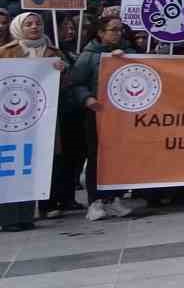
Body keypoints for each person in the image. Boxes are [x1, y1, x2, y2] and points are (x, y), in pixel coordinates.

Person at [68, 17, 141, 222]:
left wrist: (125, 59)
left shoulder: (130, 53)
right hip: (98, 113)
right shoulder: (89, 56)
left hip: (123, 113)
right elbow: (76, 83)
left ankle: (114, 197)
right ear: (101, 32)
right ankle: (95, 201)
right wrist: (87, 98)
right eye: (113, 30)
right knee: (97, 156)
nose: (118, 34)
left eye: (120, 30)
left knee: (120, 155)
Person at [1, 14, 67, 225]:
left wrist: (63, 72)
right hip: (12, 123)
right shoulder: (6, 52)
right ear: (18, 27)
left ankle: (27, 215)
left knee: (35, 166)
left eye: (38, 23)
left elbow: (66, 86)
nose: (34, 27)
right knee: (12, 167)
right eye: (28, 24)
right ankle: (9, 217)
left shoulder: (54, 53)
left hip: (42, 120)